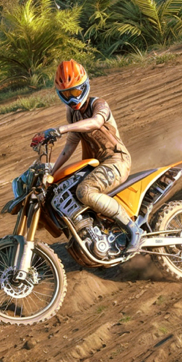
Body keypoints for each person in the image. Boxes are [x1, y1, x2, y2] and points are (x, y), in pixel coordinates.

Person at [31, 60, 141, 253]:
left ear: (84, 86)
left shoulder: (99, 104)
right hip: (95, 166)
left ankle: (134, 231)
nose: (72, 98)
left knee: (85, 192)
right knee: (63, 189)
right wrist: (52, 174)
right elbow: (70, 146)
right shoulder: (73, 115)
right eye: (66, 94)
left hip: (116, 160)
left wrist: (60, 129)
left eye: (74, 91)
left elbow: (95, 122)